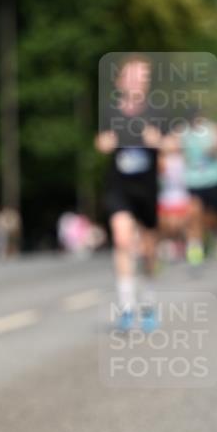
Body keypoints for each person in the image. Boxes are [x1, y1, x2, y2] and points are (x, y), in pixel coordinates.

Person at [95, 54, 162, 332]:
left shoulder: (157, 112)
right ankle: (125, 306)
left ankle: (148, 301)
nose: (137, 83)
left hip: (147, 190)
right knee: (123, 240)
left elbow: (172, 142)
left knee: (147, 250)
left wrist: (159, 141)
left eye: (142, 78)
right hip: (119, 187)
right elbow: (100, 141)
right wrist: (105, 142)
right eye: (132, 77)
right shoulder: (111, 112)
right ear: (120, 81)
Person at [180, 111, 217, 266]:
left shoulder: (214, 130)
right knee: (194, 213)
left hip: (213, 179)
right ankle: (195, 248)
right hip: (193, 181)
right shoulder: (182, 132)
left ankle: (213, 236)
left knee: (214, 216)